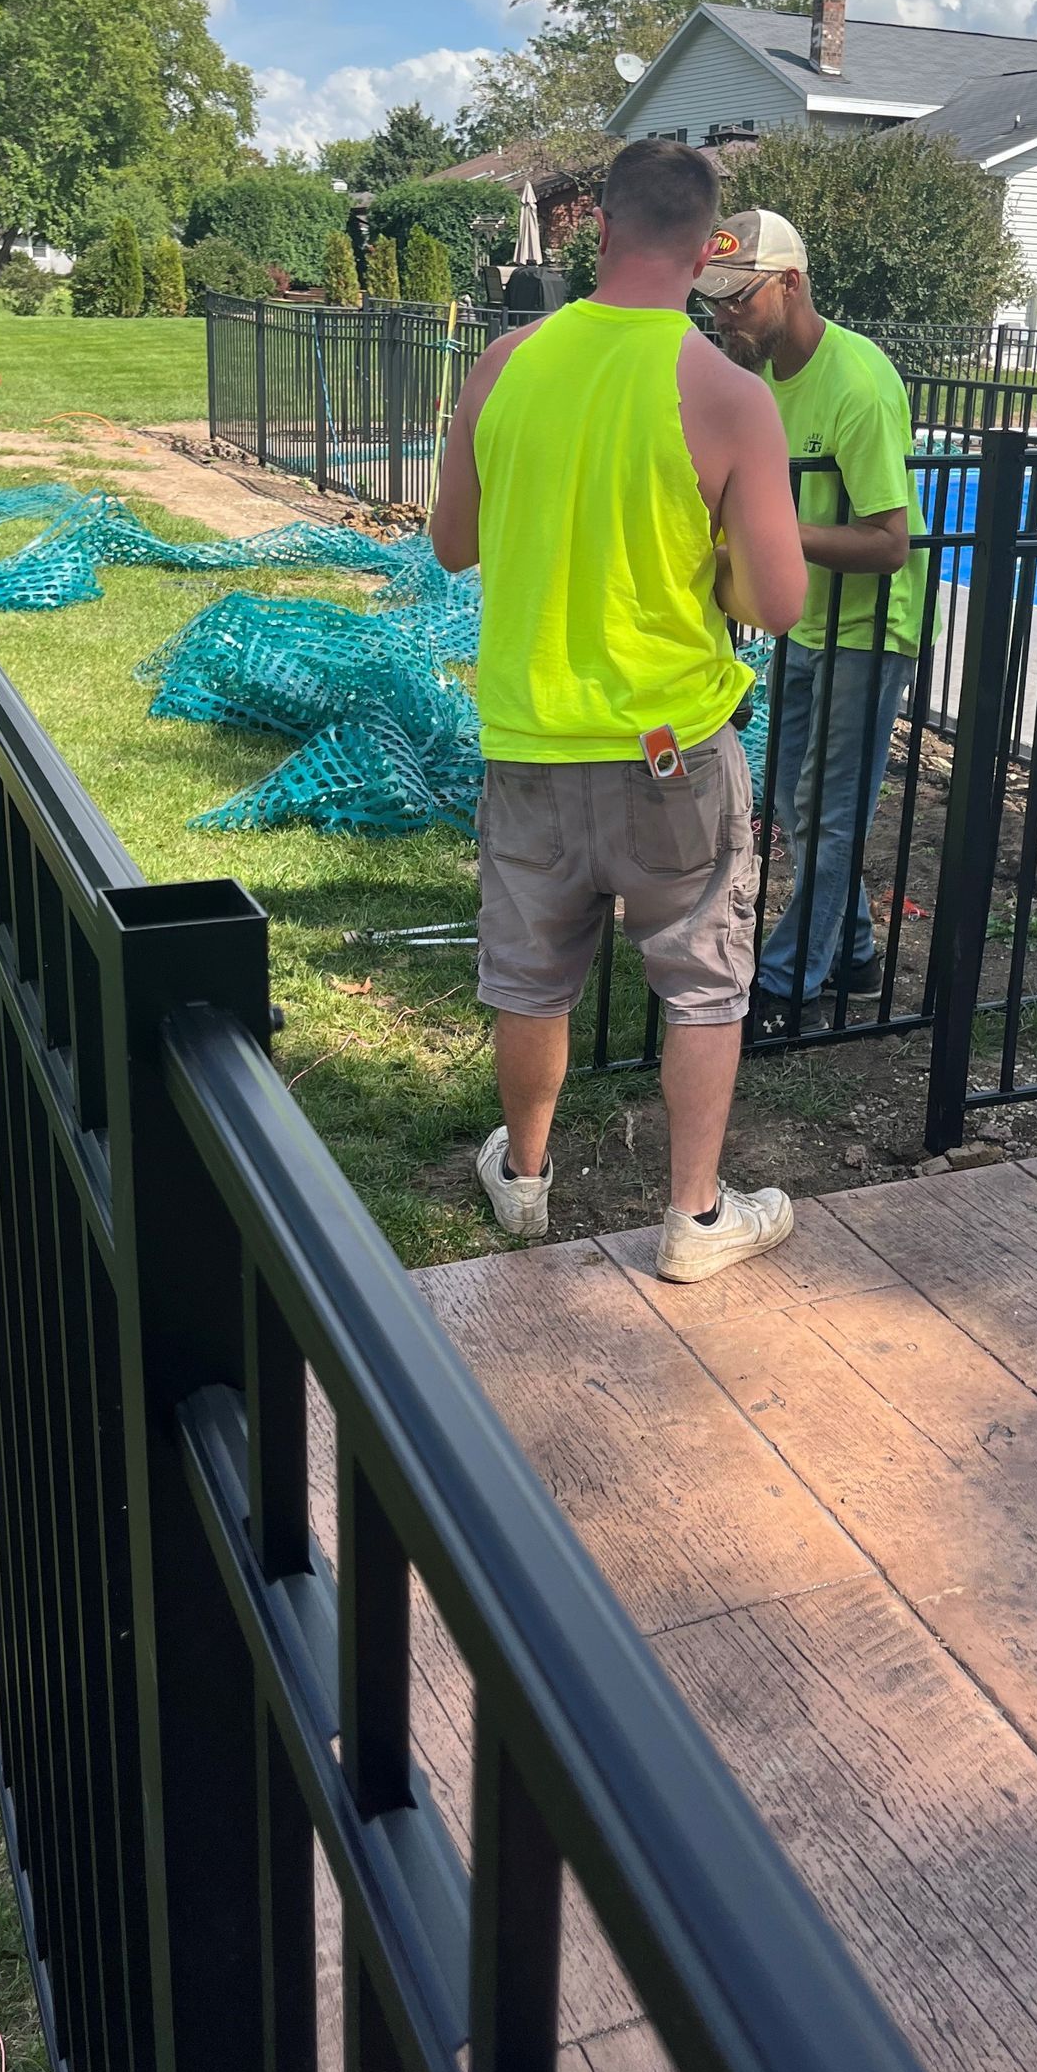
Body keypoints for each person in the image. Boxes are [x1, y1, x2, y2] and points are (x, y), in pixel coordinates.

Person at [429, 141, 808, 1282]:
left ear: (599, 233)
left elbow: (453, 545)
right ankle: (694, 1219)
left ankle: (526, 1177)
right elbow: (779, 600)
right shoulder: (731, 395)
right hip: (674, 750)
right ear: (704, 255)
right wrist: (717, 567)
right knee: (701, 978)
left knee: (531, 975)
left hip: (532, 742)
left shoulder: (504, 366)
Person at [696, 210, 926, 1031]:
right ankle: (856, 954)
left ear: (789, 283)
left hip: (867, 629)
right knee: (795, 800)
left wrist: (770, 531)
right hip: (802, 618)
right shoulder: (754, 378)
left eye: (736, 300)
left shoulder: (857, 385)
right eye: (712, 302)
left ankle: (793, 984)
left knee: (831, 816)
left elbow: (889, 542)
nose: (722, 318)